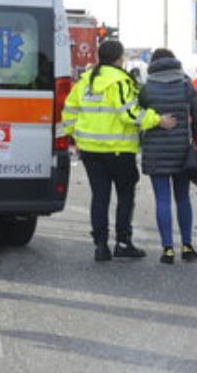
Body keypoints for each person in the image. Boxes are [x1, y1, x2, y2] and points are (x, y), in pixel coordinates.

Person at [62, 39, 176, 261]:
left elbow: (68, 112)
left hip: (90, 150)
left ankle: (100, 246)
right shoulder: (120, 81)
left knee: (100, 196)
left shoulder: (85, 81)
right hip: (118, 150)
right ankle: (123, 242)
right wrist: (158, 120)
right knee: (125, 195)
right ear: (118, 58)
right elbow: (130, 114)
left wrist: (77, 136)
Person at [138, 48, 197, 264]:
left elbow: (139, 117)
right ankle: (187, 245)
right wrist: (192, 137)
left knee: (162, 199)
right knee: (183, 198)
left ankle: (167, 249)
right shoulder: (185, 85)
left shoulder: (146, 88)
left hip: (155, 151)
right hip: (181, 151)